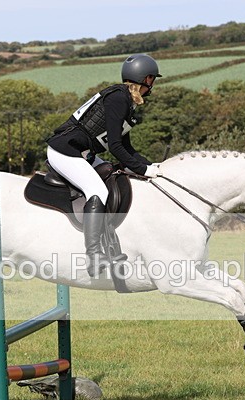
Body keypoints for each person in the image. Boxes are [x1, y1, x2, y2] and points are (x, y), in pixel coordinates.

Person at [46, 53, 162, 276]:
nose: (153, 84)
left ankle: (112, 245)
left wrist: (154, 166)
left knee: (112, 176)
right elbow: (115, 147)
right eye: (152, 79)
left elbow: (126, 148)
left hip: (82, 153)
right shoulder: (118, 99)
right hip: (65, 151)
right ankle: (94, 255)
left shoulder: (126, 101)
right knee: (97, 189)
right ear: (146, 79)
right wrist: (144, 170)